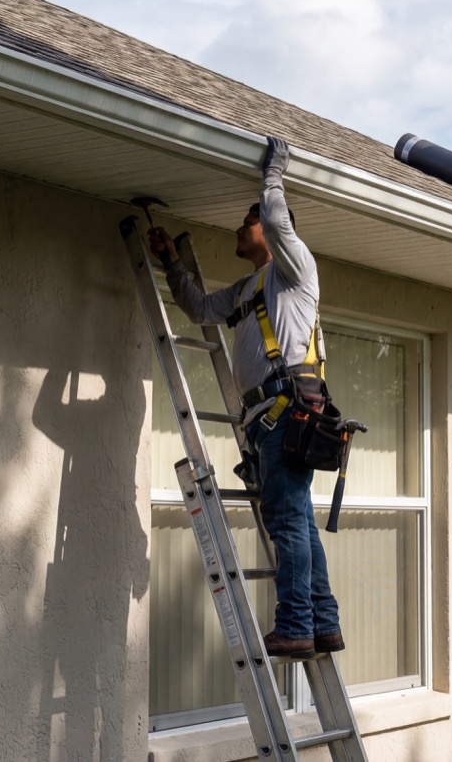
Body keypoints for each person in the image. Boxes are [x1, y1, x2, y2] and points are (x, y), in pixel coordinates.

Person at [147, 136, 343, 660]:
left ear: (271, 230)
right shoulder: (250, 287)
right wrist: (170, 264)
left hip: (286, 412)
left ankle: (296, 625)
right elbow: (199, 309)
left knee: (287, 523)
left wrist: (274, 175)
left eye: (245, 219)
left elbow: (279, 224)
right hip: (268, 417)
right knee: (298, 522)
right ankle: (322, 623)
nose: (239, 227)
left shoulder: (295, 268)